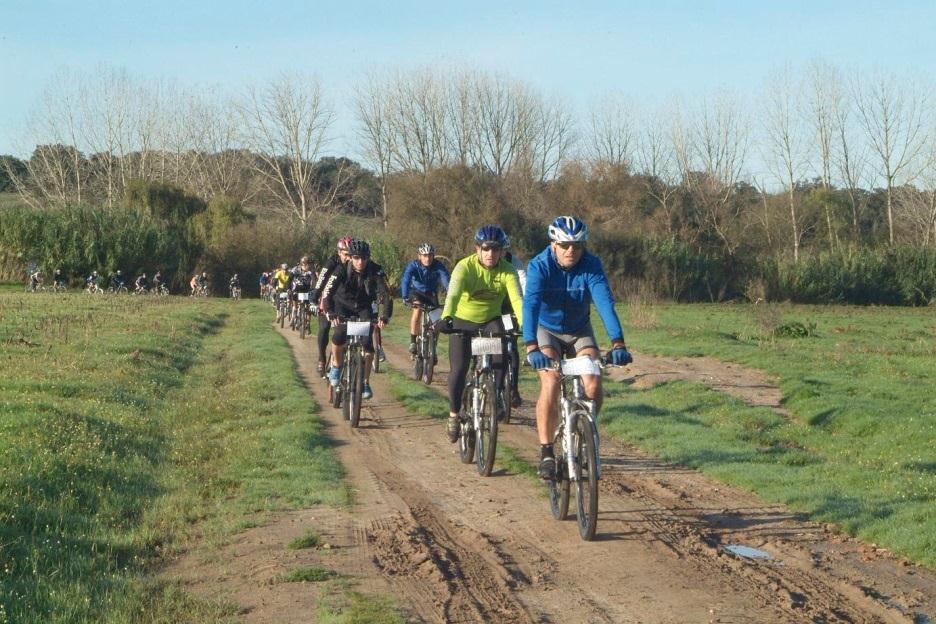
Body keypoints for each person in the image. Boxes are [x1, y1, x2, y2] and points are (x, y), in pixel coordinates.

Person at [522, 216, 633, 480]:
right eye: (565, 245)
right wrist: (531, 347)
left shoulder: (591, 265)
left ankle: (586, 434)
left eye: (578, 245)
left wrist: (618, 342)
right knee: (550, 381)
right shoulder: (540, 266)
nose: (571, 250)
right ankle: (547, 451)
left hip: (579, 330)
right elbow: (531, 305)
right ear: (553, 245)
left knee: (593, 382)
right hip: (546, 330)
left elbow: (605, 302)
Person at [437, 225, 523, 443]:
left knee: (502, 356)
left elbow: (517, 301)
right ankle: (454, 414)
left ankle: (495, 396)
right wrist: (447, 318)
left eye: (496, 250)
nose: (491, 254)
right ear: (477, 249)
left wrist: (526, 326)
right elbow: (453, 295)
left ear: (502, 251)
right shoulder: (464, 267)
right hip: (462, 321)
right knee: (458, 369)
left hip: (490, 322)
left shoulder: (507, 270)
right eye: (486, 249)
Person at [322, 240, 392, 401]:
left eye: (364, 258)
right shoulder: (340, 269)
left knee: (368, 344)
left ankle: (365, 382)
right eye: (356, 258)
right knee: (339, 334)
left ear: (368, 258)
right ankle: (337, 367)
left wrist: (384, 315)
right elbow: (327, 292)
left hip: (363, 306)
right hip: (342, 305)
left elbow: (386, 294)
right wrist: (330, 312)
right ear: (351, 258)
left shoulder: (376, 269)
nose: (360, 262)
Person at [311, 237, 354, 376]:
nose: (348, 258)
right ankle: (322, 359)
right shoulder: (331, 263)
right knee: (324, 328)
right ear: (339, 252)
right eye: (345, 254)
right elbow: (321, 280)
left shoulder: (357, 263)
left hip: (345, 300)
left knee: (344, 330)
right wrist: (314, 298)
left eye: (351, 254)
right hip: (328, 298)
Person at [401, 243, 450, 357]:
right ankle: (413, 341)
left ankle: (433, 349)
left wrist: (451, 293)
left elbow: (446, 279)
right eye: (424, 255)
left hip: (431, 294)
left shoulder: (438, 265)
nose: (427, 258)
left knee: (436, 321)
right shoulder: (413, 265)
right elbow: (406, 280)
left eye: (430, 255)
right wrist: (405, 296)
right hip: (417, 293)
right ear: (419, 256)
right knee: (417, 311)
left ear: (433, 256)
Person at [502, 236, 527, 407]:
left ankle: (514, 389)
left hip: (510, 308)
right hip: (491, 310)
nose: (499, 253)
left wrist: (526, 314)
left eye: (503, 250)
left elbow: (525, 284)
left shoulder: (515, 263)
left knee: (512, 347)